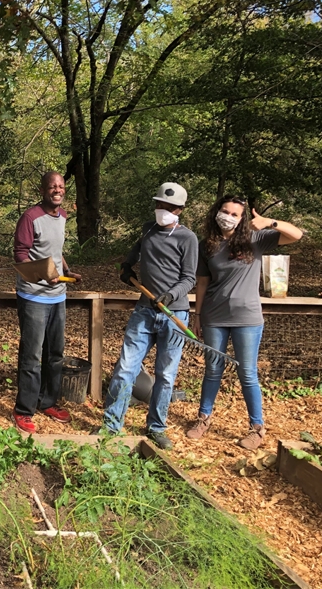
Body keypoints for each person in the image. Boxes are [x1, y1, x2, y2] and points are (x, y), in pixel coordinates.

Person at [185, 196, 303, 450]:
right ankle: (203, 419)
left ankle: (257, 428)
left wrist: (269, 222)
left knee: (247, 373)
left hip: (247, 318)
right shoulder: (207, 245)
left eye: (234, 214)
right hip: (214, 317)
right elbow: (202, 283)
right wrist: (197, 315)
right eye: (224, 211)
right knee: (213, 370)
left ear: (242, 219)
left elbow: (296, 235)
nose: (227, 216)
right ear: (216, 213)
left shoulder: (255, 239)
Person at [98, 182, 198, 449]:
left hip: (174, 314)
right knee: (125, 369)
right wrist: (127, 265)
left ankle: (156, 427)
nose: (161, 210)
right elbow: (137, 249)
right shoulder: (148, 229)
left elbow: (189, 278)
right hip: (144, 311)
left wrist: (169, 296)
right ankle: (111, 426)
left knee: (165, 375)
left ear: (179, 210)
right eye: (158, 205)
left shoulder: (187, 238)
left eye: (167, 207)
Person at [11, 171, 81, 434]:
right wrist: (45, 274)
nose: (57, 190)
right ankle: (23, 410)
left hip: (58, 296)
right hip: (34, 296)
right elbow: (21, 256)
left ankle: (48, 401)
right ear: (43, 190)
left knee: (55, 354)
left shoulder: (62, 216)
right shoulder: (30, 217)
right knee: (32, 355)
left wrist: (66, 271)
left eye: (61, 186)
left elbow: (56, 253)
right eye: (52, 186)